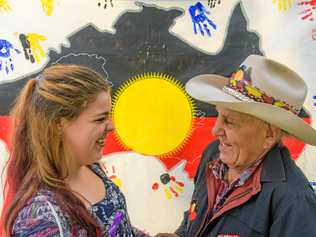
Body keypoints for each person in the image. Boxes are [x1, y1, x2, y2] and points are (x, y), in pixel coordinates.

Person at [156, 54, 316, 237]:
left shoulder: (293, 200)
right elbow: (196, 218)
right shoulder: (213, 155)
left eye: (229, 121)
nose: (216, 130)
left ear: (269, 134)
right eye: (219, 115)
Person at [1, 64, 149, 237]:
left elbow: (118, 227)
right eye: (100, 119)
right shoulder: (42, 217)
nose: (111, 126)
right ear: (58, 124)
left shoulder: (91, 168)